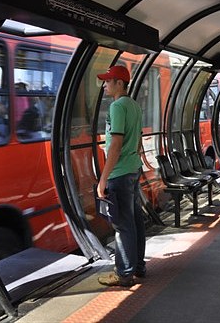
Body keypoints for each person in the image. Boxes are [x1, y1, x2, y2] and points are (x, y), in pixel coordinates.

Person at [96, 65, 146, 288]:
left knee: (122, 225)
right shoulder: (134, 106)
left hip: (120, 173)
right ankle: (138, 266)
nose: (105, 85)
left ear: (119, 83)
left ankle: (124, 274)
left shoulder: (117, 106)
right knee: (135, 221)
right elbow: (137, 140)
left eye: (108, 81)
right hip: (133, 169)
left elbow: (115, 145)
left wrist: (103, 179)